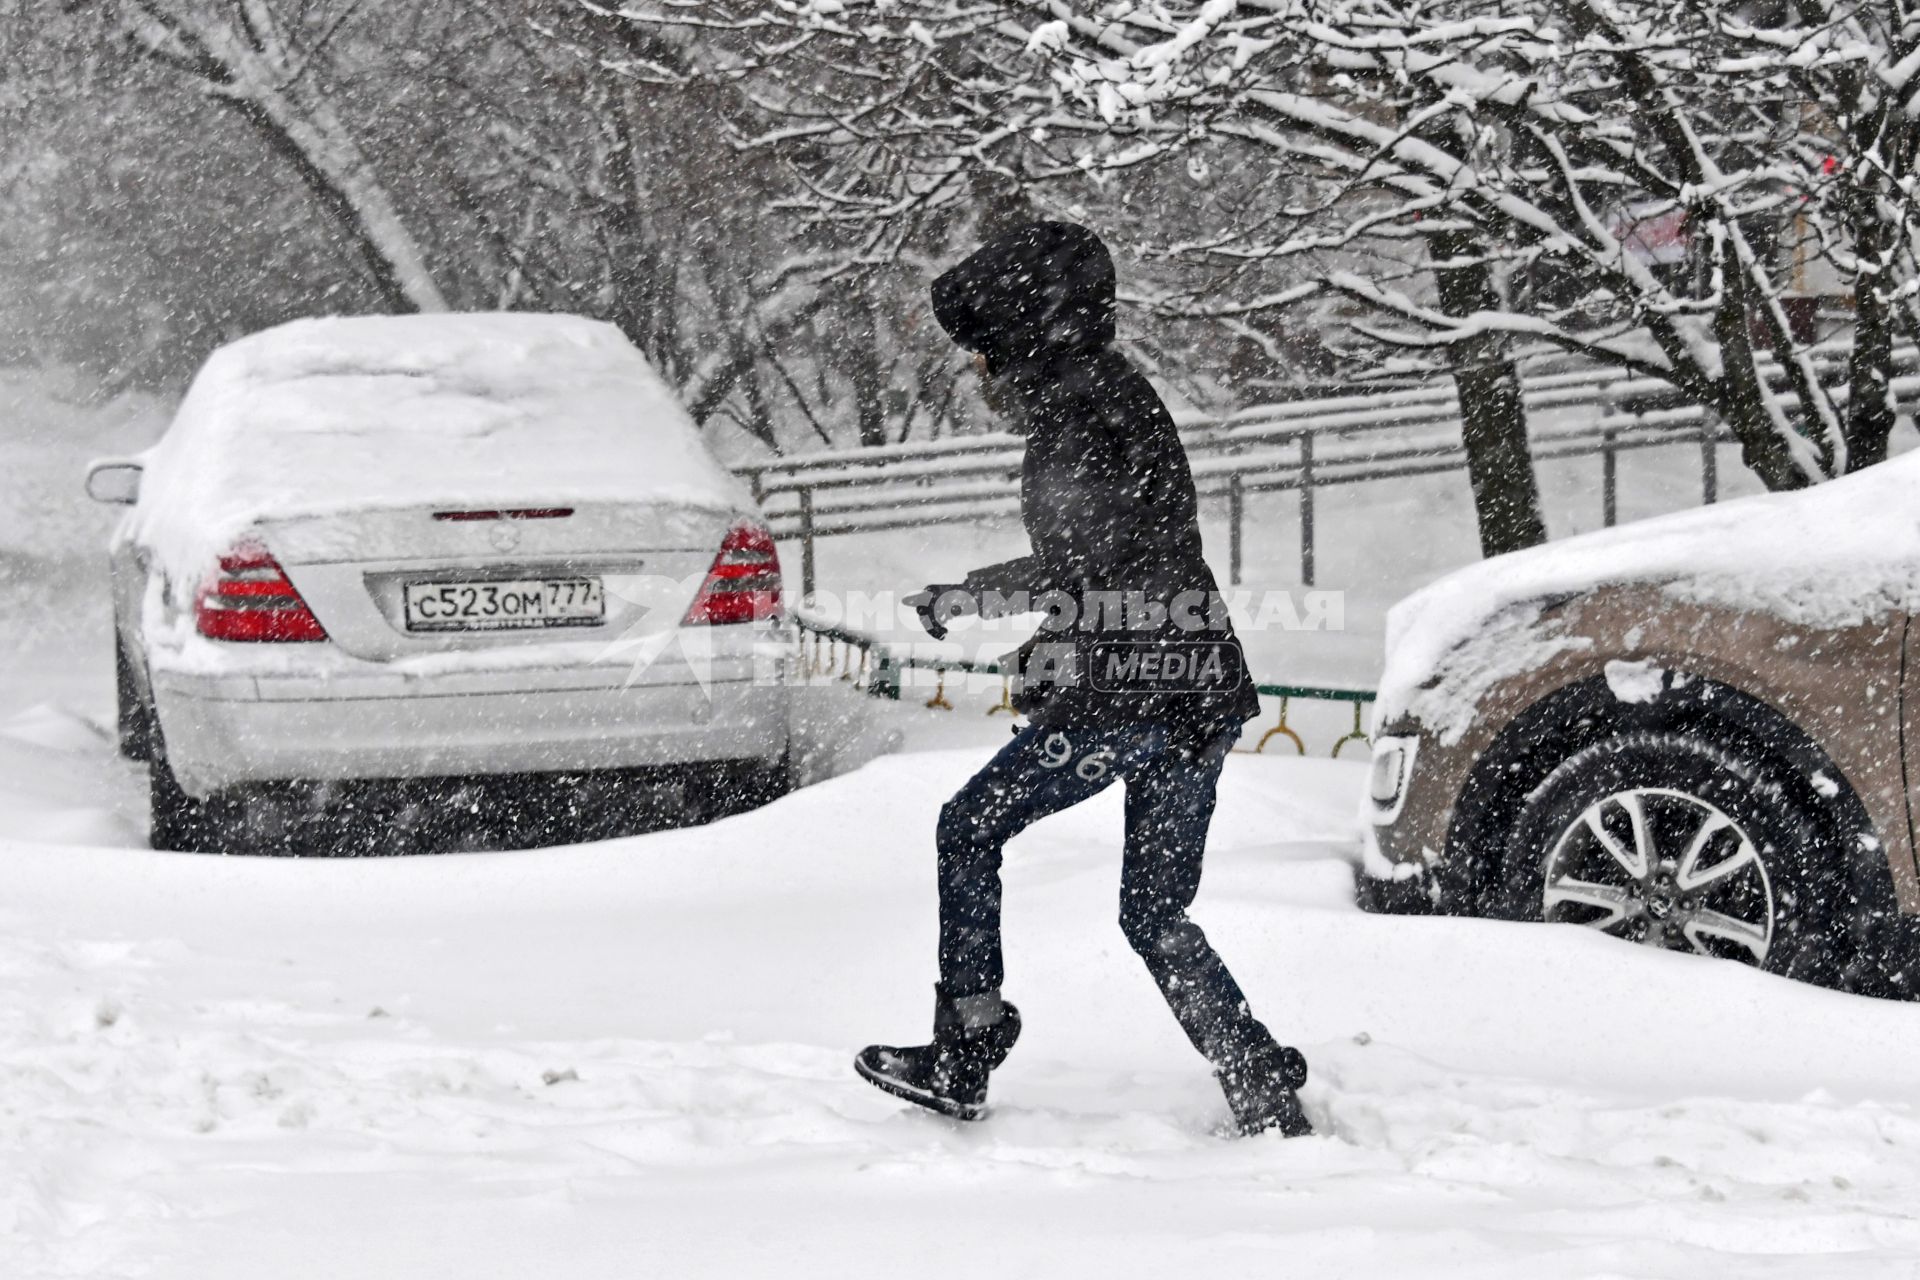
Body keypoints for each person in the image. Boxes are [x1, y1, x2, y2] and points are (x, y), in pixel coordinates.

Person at [854, 221, 1312, 1138]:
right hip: (1199, 686)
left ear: (1027, 335)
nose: (982, 379)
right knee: (1154, 909)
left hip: (1132, 693)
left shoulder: (1072, 415)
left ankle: (965, 1044)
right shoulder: (1120, 395)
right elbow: (1116, 553)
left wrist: (1025, 643)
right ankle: (1254, 1074)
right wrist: (991, 602)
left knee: (968, 826)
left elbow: (1087, 564)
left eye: (986, 356)